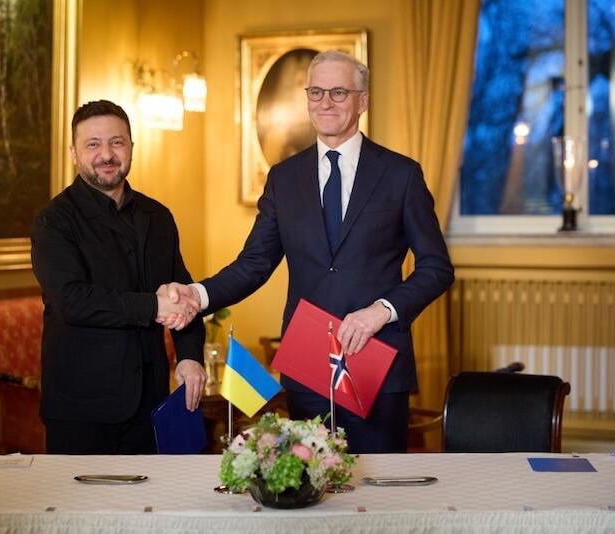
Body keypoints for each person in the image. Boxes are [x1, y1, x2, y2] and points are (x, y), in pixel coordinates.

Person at [159, 51, 454, 453]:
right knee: (312, 490)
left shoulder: (401, 175)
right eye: (316, 91)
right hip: (309, 363)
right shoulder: (284, 178)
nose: (325, 102)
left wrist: (381, 311)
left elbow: (436, 267)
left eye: (338, 92)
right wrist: (199, 294)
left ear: (362, 101)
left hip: (378, 362)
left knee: (378, 494)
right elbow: (255, 263)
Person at [31, 99, 206, 455]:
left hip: (151, 403)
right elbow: (73, 301)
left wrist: (189, 356)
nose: (106, 154)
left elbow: (182, 293)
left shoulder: (158, 217)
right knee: (80, 512)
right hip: (82, 409)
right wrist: (151, 307)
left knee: (150, 507)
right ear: (74, 154)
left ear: (131, 147)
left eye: (117, 142)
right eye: (92, 144)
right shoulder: (53, 221)